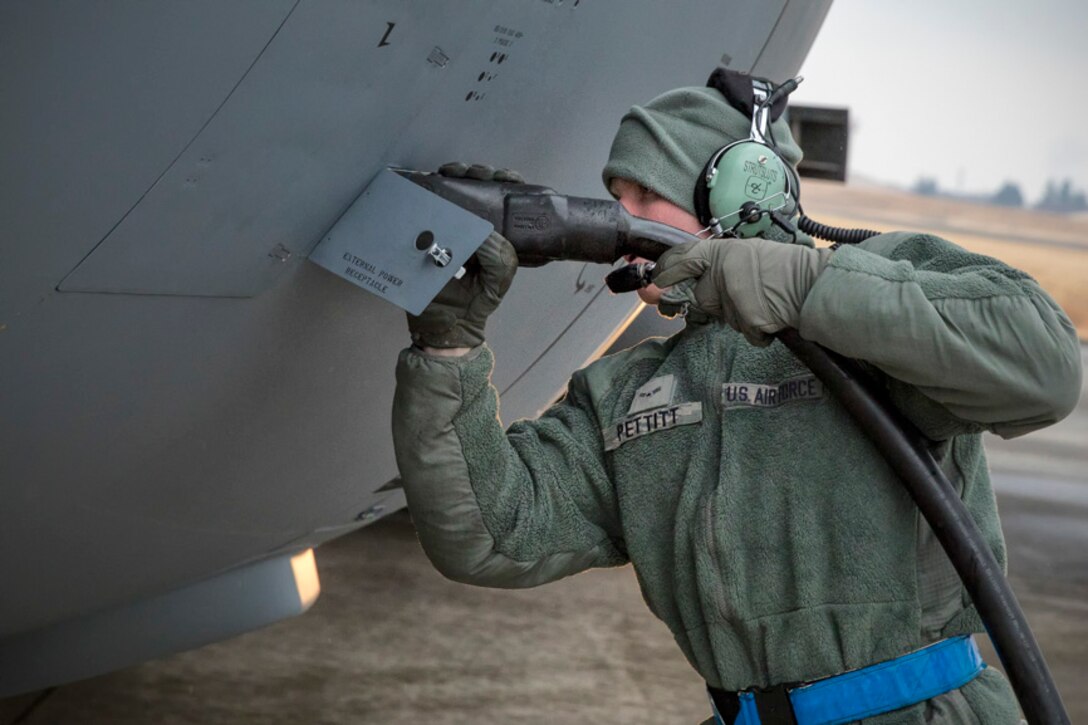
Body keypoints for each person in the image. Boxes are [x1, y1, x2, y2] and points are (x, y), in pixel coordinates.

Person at [390, 81, 1083, 724]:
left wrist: (803, 286)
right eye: (614, 197)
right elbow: (491, 533)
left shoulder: (875, 308)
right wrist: (447, 349)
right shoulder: (624, 393)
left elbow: (1046, 367)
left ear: (739, 191)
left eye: (641, 196)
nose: (617, 222)